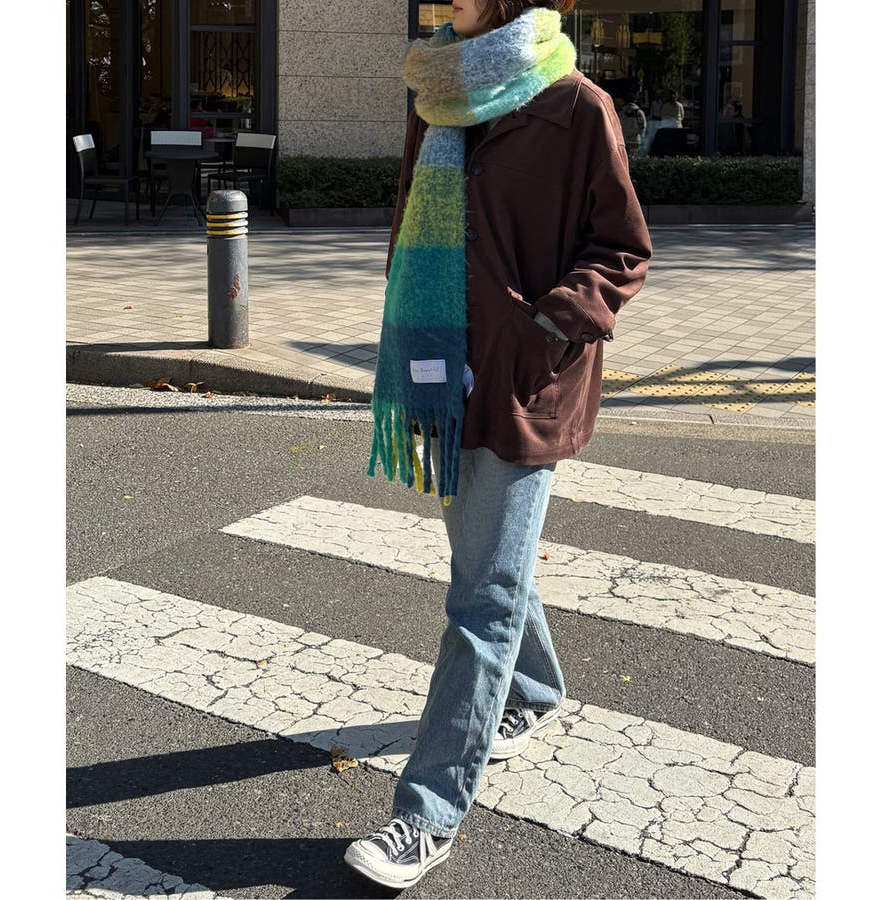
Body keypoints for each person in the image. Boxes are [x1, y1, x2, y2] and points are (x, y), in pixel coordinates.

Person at [349, 0, 652, 888]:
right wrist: (407, 328)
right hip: (442, 368)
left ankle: (426, 814)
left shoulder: (576, 104)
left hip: (527, 383)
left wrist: (544, 327)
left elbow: (622, 247)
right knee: (490, 567)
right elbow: (411, 217)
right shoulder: (434, 90)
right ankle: (538, 689)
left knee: (481, 599)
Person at [617, 91, 647, 160]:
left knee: (624, 159)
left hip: (624, 139)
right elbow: (643, 126)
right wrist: (641, 136)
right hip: (635, 139)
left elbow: (618, 125)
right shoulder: (639, 112)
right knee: (634, 159)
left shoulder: (622, 112)